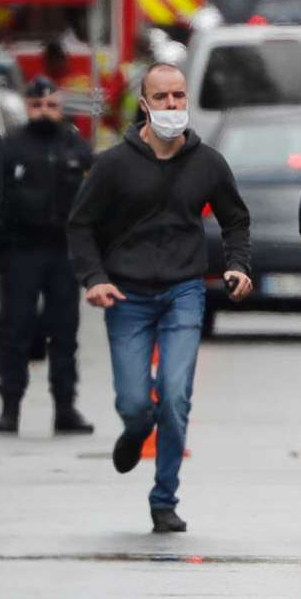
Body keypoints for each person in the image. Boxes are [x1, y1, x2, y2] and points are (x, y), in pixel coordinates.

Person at [67, 61, 252, 532]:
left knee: (174, 393)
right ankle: (135, 429)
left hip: (184, 293)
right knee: (135, 402)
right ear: (144, 105)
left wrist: (237, 266)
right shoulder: (112, 165)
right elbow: (81, 225)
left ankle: (164, 497)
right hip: (125, 296)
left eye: (179, 97)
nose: (172, 106)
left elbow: (235, 219)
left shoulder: (207, 163)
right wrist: (94, 279)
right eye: (162, 98)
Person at [0, 77, 97, 436]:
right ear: (27, 106)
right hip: (22, 251)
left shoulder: (75, 147)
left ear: (60, 107)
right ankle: (9, 409)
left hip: (62, 253)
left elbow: (93, 202)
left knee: (64, 334)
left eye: (51, 106)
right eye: (37, 106)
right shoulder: (12, 147)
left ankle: (65, 408)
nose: (44, 113)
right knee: (16, 332)